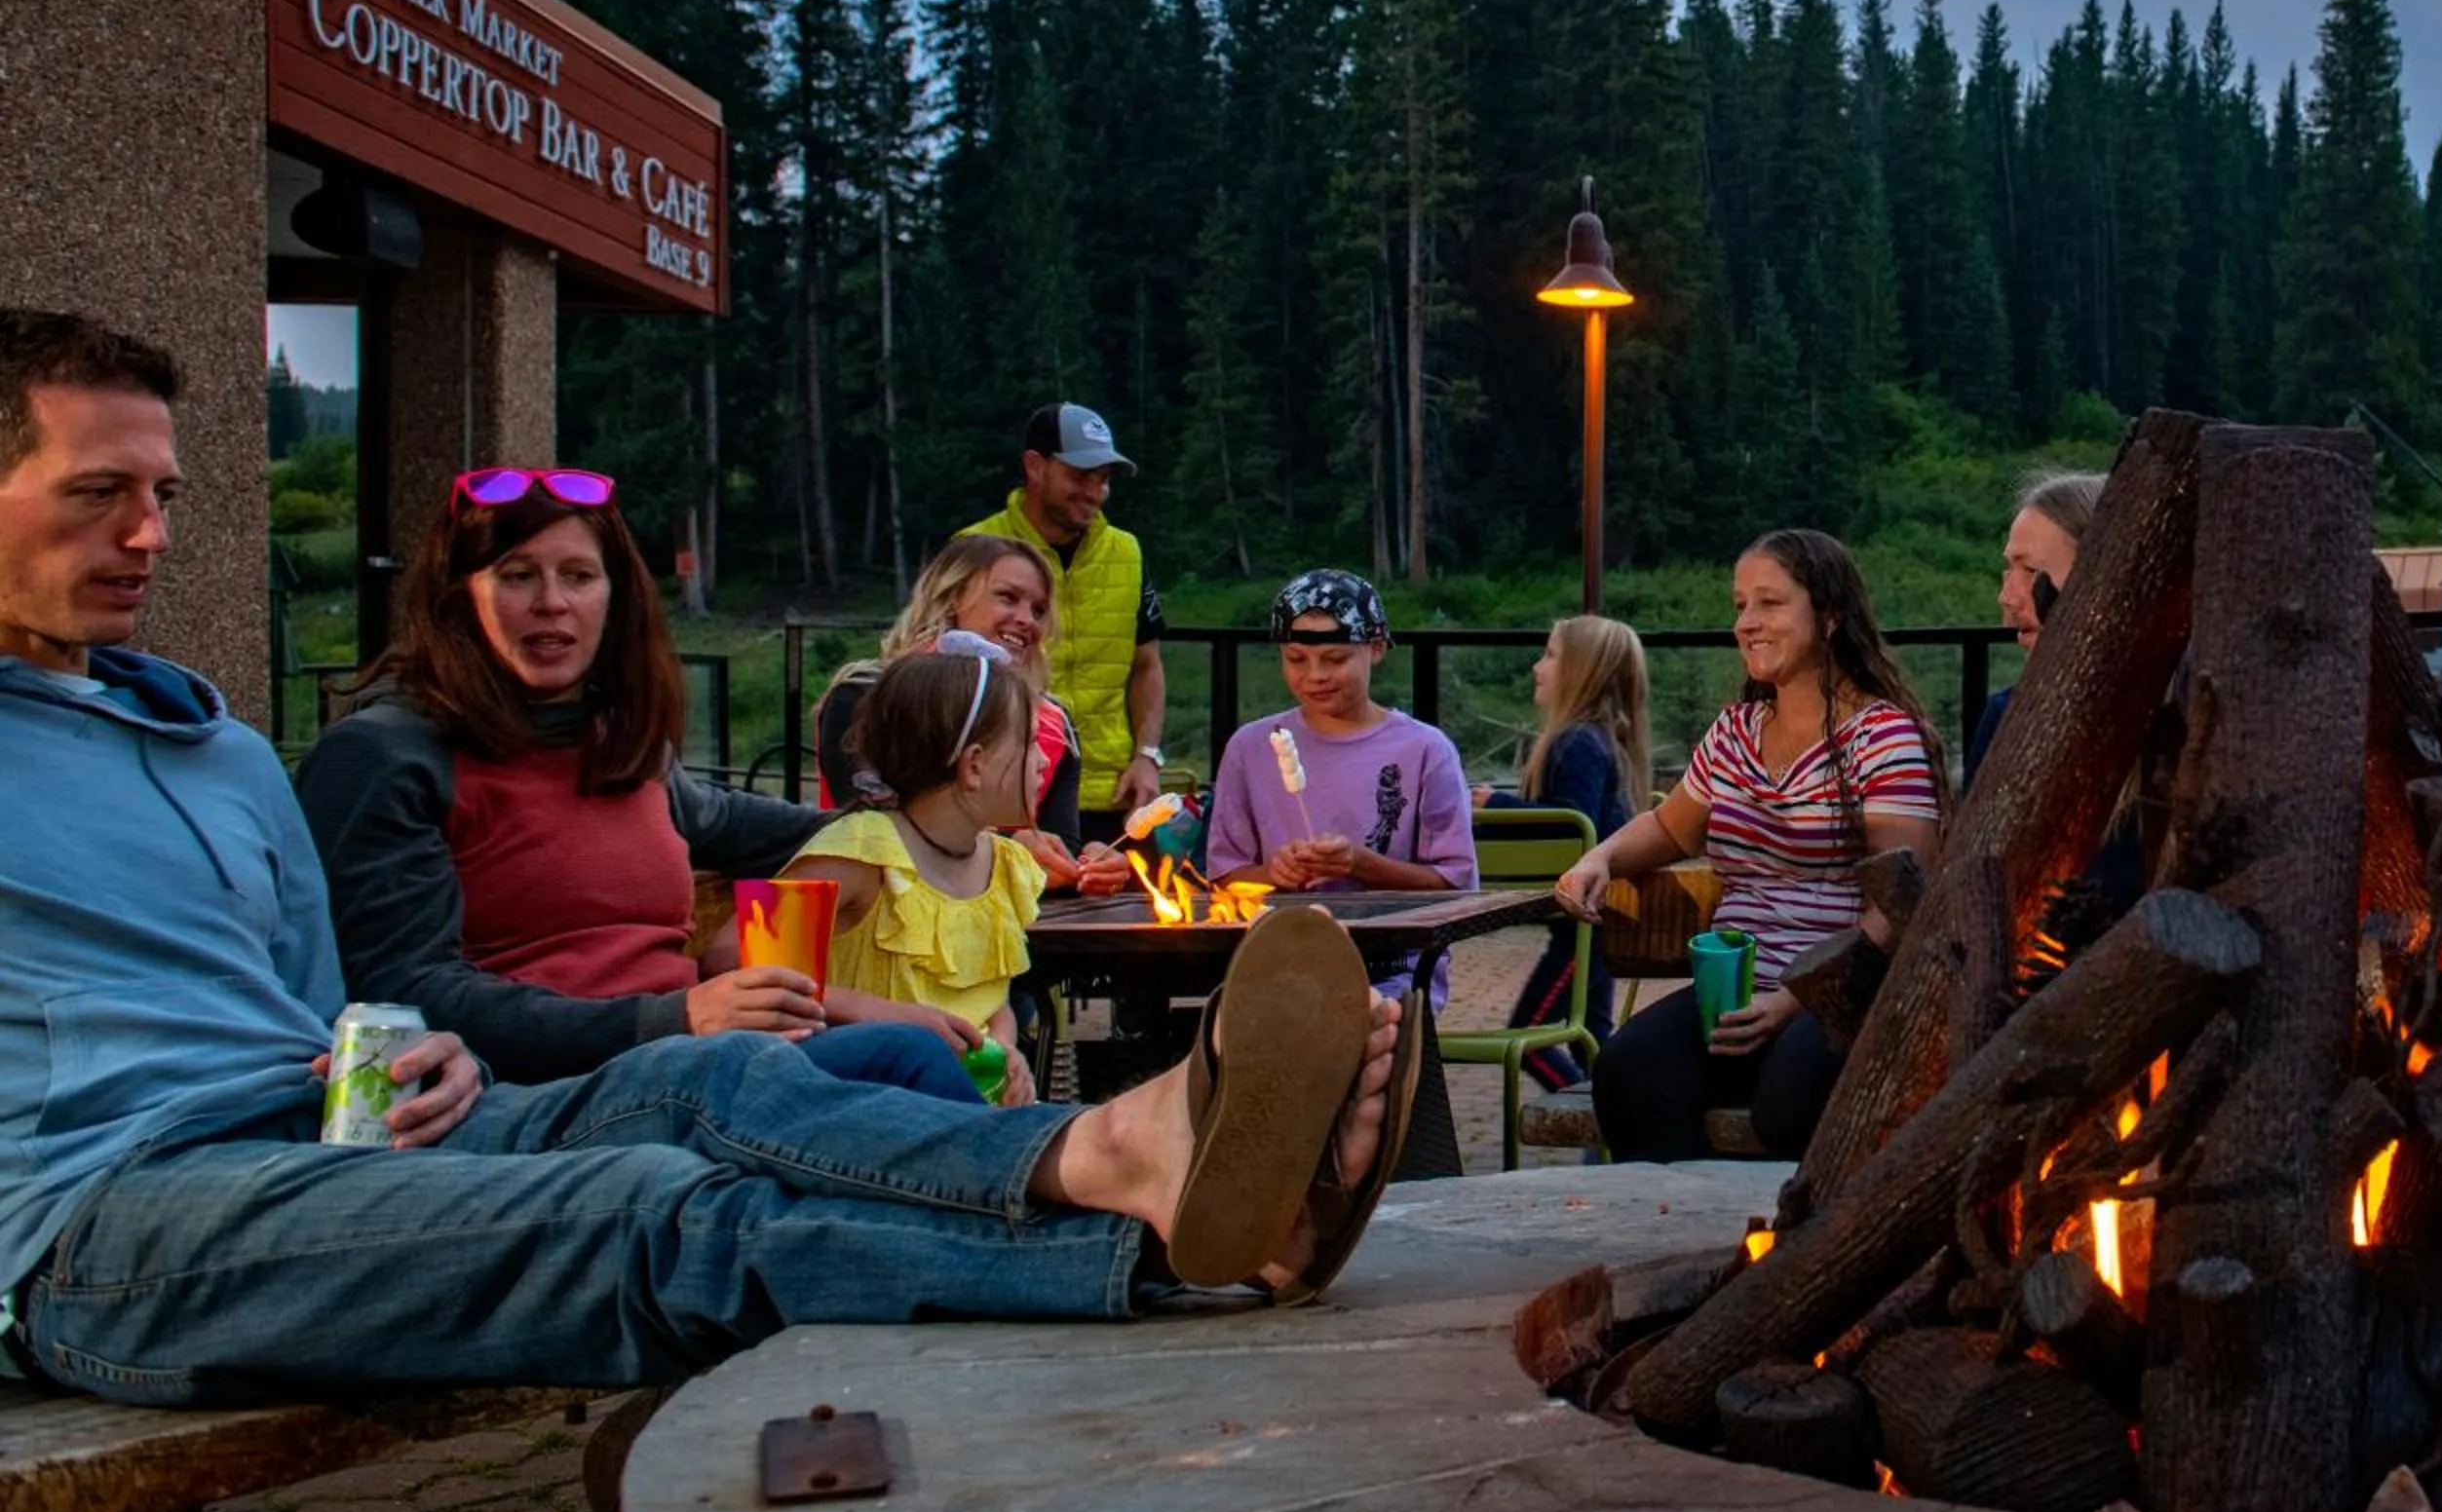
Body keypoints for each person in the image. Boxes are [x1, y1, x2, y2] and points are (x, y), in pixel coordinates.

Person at [0, 308, 1402, 1404]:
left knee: (722, 1075)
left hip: (340, 1136)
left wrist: (388, 1052)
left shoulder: (222, 753)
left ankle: (1156, 1170)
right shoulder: (387, 753)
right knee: (658, 1209)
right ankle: (1162, 1205)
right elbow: (414, 963)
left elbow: (331, 1008)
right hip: (96, 1217)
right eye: (97, 495)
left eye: (165, 492)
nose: (151, 535)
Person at [294, 470, 972, 1094]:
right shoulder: (384, 756)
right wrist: (669, 1017)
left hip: (692, 1060)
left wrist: (948, 836)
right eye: (517, 576)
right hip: (549, 1093)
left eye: (579, 576)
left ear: (616, 600)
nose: (552, 602)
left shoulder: (613, 740)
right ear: (457, 599)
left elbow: (740, 824)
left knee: (947, 1047)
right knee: (905, 1062)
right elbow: (404, 991)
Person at [1552, 530, 1944, 1161]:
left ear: (1831, 614)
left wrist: (1795, 999)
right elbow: (1673, 828)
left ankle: (1798, 1248)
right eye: (1740, 606)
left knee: (1789, 1099)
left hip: (1837, 997)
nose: (1748, 623)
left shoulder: (1883, 736)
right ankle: (1686, 1243)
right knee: (1628, 1071)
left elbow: (1902, 902)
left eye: (1770, 603)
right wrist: (1599, 858)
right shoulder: (1734, 732)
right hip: (1735, 994)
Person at [774, 637, 1049, 1103]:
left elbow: (988, 995)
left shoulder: (1003, 863)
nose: (1043, 762)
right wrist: (877, 1011)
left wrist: (1004, 1045)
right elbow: (741, 959)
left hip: (971, 1104)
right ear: (974, 765)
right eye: (1030, 743)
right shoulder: (864, 854)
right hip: (869, 1105)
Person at [1204, 570, 1476, 1006]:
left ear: (1376, 648)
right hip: (1274, 960)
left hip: (1392, 968)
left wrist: (1362, 864)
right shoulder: (1250, 747)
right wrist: (1274, 873)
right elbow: (1225, 876)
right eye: (1296, 659)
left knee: (1355, 1022)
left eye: (1334, 659)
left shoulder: (1425, 749)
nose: (1315, 676)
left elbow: (1455, 886)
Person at [816, 533, 1133, 895]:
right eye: (1008, 598)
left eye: (1039, 610)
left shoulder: (1054, 722)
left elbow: (1060, 849)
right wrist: (1012, 848)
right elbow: (873, 830)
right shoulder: (864, 697)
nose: (1027, 620)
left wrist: (1088, 865)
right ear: (952, 597)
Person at [960, 403, 1166, 844]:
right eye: (1080, 475)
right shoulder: (977, 548)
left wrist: (1148, 756)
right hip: (1006, 790)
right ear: (1035, 466)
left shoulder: (1126, 552)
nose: (1094, 491)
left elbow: (1147, 665)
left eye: (1104, 479)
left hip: (1112, 793)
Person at [1476, 615, 1650, 1089]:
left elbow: (1570, 823)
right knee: (1592, 1034)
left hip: (1584, 926)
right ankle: (1611, 1143)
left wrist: (1497, 805)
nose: (1538, 666)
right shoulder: (1599, 740)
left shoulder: (1576, 742)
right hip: (1599, 919)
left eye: (1550, 655)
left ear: (1582, 670)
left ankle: (1598, 1119)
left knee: (1528, 1037)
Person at [1973, 471, 2144, 915]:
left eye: (2030, 572)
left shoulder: (2166, 725)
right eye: (2008, 569)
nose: (2007, 596)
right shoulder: (2006, 717)